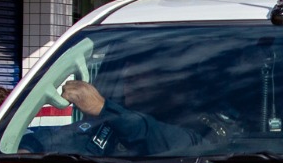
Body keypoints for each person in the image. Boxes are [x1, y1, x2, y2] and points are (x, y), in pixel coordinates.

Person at [22, 66, 192, 157]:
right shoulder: (109, 123)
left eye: (146, 74)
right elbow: (70, 136)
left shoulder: (190, 122)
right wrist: (30, 147)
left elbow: (171, 142)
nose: (135, 81)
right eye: (130, 78)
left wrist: (103, 108)